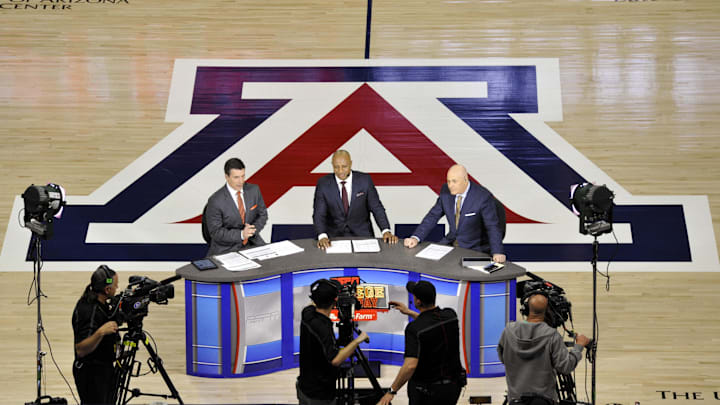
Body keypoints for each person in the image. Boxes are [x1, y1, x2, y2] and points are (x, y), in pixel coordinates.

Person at [378, 281, 465, 405]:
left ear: (418, 302)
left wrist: (391, 391)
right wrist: (409, 312)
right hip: (453, 387)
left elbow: (410, 366)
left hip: (427, 393)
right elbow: (430, 323)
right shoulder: (450, 315)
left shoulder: (414, 329)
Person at [497, 293, 590, 405]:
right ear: (548, 311)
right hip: (544, 401)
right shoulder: (552, 336)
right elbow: (565, 367)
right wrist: (578, 346)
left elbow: (503, 357)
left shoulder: (509, 331)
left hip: (516, 400)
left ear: (526, 309)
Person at [403, 164, 506, 263]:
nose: (450, 185)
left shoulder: (483, 197)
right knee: (425, 263)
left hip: (475, 248)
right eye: (448, 181)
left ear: (465, 179)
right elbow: (433, 216)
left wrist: (497, 252)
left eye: (454, 181)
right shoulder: (445, 191)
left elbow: (492, 226)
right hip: (450, 243)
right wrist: (416, 237)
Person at [297, 278, 369, 405]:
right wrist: (358, 340)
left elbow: (314, 303)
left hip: (304, 387)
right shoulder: (324, 327)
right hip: (319, 395)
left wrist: (330, 292)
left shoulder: (307, 313)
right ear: (335, 300)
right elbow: (335, 359)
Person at [312, 150, 399, 249]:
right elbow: (319, 214)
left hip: (363, 236)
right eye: (336, 167)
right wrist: (322, 236)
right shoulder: (323, 184)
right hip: (333, 238)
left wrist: (385, 231)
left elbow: (376, 208)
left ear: (351, 164)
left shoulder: (365, 180)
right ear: (332, 165)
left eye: (344, 166)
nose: (340, 171)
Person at [71, 265, 120, 405]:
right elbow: (80, 349)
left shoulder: (99, 301)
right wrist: (101, 332)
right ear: (107, 289)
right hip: (92, 374)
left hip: (102, 369)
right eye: (116, 286)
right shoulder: (89, 311)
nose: (117, 289)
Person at [206, 158, 268, 256]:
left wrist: (251, 230)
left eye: (243, 176)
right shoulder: (215, 200)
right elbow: (216, 232)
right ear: (227, 177)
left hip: (252, 243)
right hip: (226, 249)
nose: (241, 181)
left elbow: (263, 215)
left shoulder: (254, 190)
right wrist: (241, 234)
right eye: (236, 177)